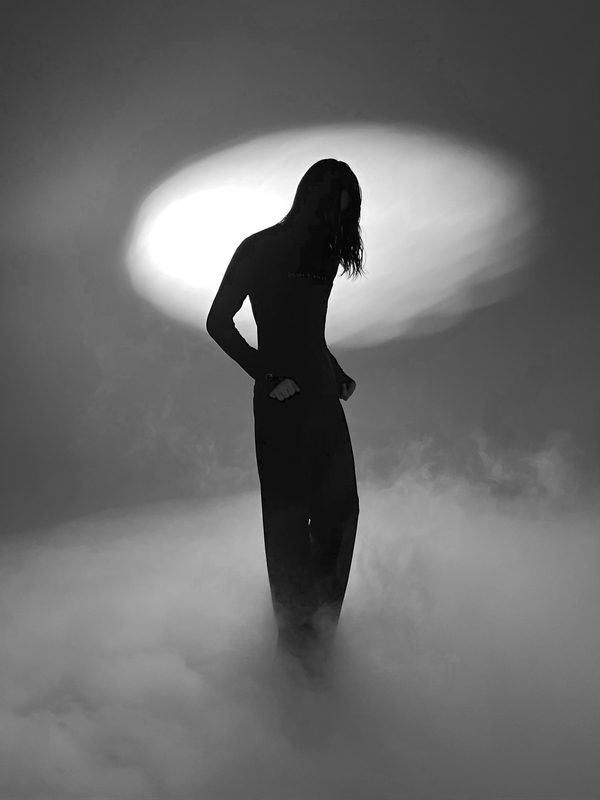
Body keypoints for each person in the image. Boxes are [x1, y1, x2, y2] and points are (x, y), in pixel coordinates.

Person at [206, 159, 365, 677]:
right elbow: (218, 321)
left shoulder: (324, 256)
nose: (343, 221)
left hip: (321, 398)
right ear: (314, 201)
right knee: (288, 525)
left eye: (349, 212)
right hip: (280, 404)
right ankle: (295, 656)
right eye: (338, 208)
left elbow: (307, 334)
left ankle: (318, 634)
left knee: (341, 512)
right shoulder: (259, 248)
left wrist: (335, 372)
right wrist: (266, 374)